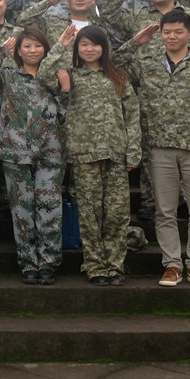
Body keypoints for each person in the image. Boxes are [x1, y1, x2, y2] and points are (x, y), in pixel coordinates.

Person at [115, 12, 190, 289]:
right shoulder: (148, 64)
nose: (172, 36)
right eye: (167, 32)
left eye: (178, 31)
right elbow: (113, 64)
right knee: (164, 212)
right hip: (159, 147)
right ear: (161, 34)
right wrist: (136, 41)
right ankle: (172, 265)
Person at [101, 0, 190, 221]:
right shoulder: (140, 16)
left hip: (186, 90)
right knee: (150, 148)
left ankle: (184, 201)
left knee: (185, 147)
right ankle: (151, 201)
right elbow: (108, 13)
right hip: (150, 89)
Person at [44, 24, 141, 286]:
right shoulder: (71, 75)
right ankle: (95, 265)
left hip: (115, 153)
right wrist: (61, 45)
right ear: (77, 48)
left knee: (117, 213)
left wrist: (133, 151)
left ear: (104, 47)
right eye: (84, 44)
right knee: (89, 213)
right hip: (83, 154)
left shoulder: (118, 76)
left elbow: (132, 115)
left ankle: (115, 264)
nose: (89, 49)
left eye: (95, 44)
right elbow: (43, 75)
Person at [0, 28, 70, 284]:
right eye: (27, 46)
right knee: (22, 210)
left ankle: (48, 262)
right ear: (18, 50)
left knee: (50, 208)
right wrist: (1, 51)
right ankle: (28, 263)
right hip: (15, 151)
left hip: (50, 152)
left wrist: (65, 90)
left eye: (37, 46)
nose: (32, 50)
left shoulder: (53, 74)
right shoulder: (8, 75)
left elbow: (63, 115)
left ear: (46, 49)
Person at [16, 0, 102, 68]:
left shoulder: (100, 29)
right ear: (68, 1)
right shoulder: (51, 23)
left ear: (93, 0)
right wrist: (49, 2)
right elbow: (22, 21)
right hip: (55, 75)